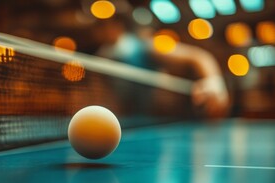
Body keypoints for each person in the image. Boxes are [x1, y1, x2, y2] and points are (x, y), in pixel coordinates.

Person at [91, 17, 231, 119]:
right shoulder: (102, 57)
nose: (98, 32)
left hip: (154, 118)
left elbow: (199, 57)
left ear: (117, 26)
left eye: (102, 26)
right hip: (125, 120)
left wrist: (214, 82)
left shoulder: (144, 46)